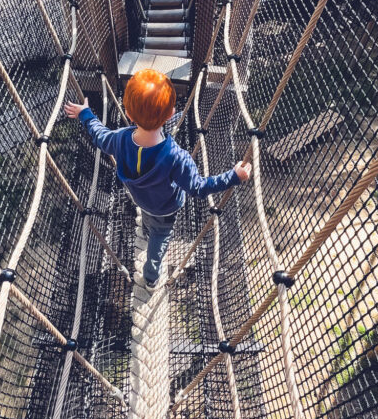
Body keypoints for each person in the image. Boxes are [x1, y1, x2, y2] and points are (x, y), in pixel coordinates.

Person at [65, 68, 251, 289]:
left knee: (146, 217)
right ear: (171, 114)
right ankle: (151, 278)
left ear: (129, 114)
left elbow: (99, 135)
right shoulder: (176, 157)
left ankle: (145, 229)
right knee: (158, 244)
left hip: (140, 198)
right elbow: (199, 187)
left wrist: (85, 113)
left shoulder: (120, 139)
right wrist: (234, 176)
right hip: (165, 210)